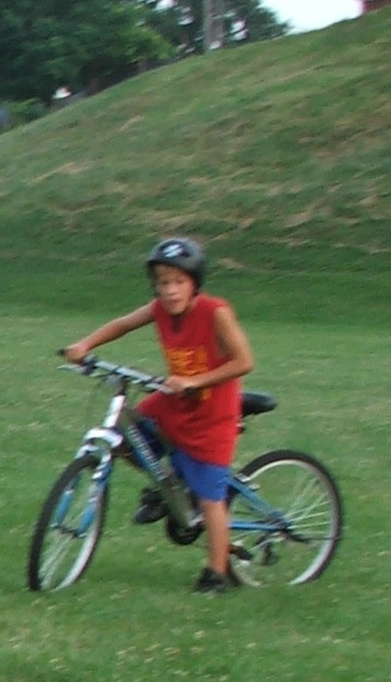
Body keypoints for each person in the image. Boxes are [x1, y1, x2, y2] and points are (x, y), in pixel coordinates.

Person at [62, 236, 254, 593]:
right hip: (174, 399)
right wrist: (85, 344)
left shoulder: (215, 312)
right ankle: (169, 490)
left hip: (211, 413)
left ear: (194, 283)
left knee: (211, 499)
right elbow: (123, 324)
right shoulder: (160, 309)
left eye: (178, 282)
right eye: (163, 282)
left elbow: (244, 361)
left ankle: (215, 574)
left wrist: (194, 381)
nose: (169, 290)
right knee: (124, 437)